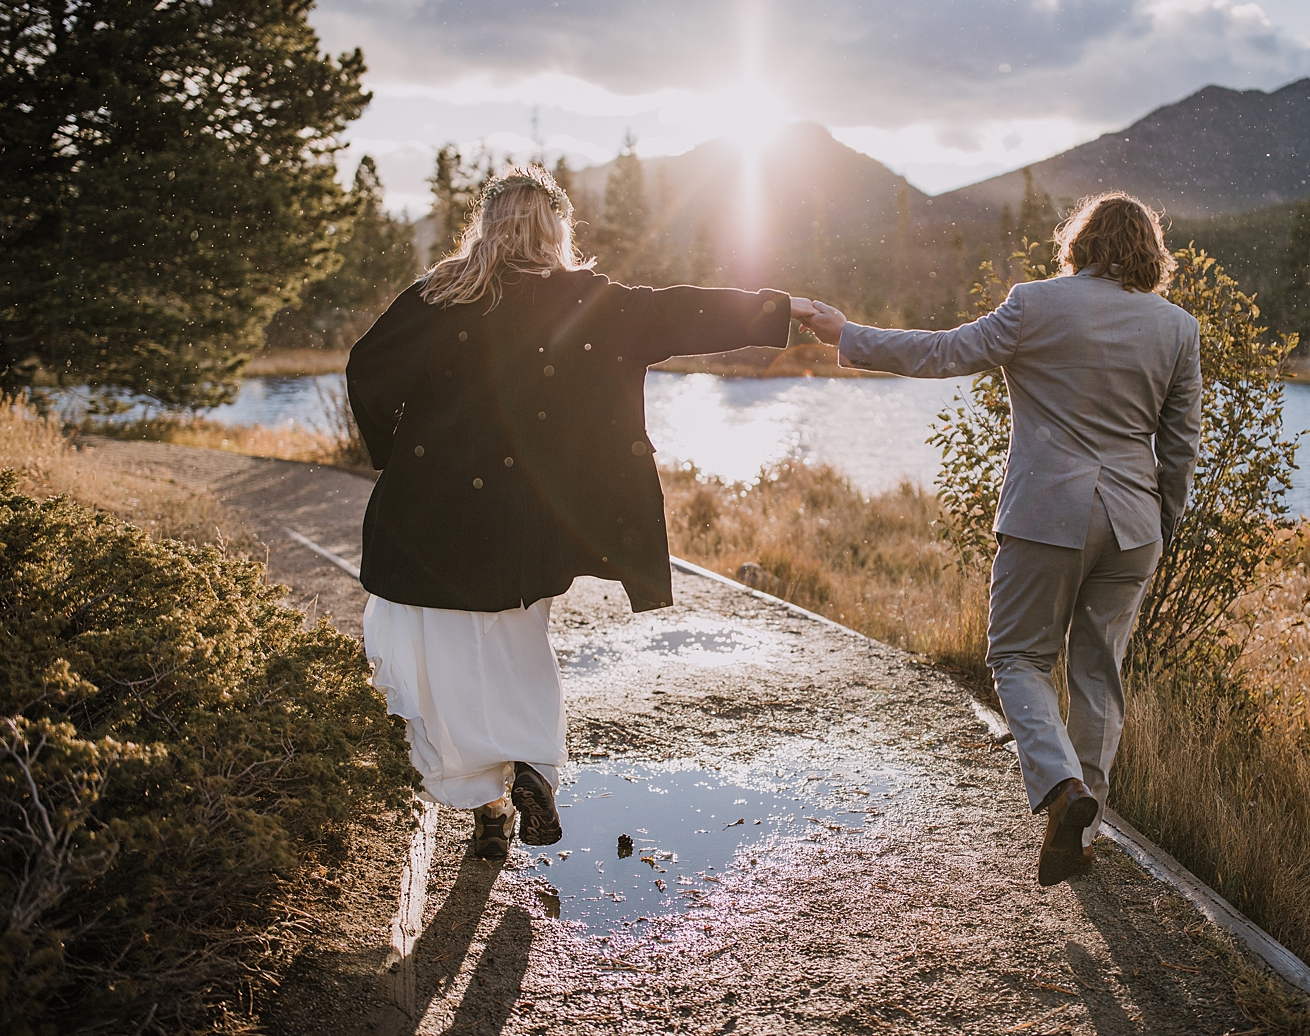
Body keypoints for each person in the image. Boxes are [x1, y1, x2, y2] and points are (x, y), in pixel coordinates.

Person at [347, 165, 808, 859]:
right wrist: (777, 310)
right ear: (556, 229)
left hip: (428, 518)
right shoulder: (591, 301)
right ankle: (531, 764)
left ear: (488, 225)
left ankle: (491, 804)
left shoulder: (439, 294)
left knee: (438, 659)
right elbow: (682, 310)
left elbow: (365, 370)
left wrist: (394, 450)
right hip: (529, 524)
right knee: (518, 645)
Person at [795, 192, 1202, 884]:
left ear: (1080, 243)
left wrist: (845, 333)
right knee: (1098, 674)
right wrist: (1161, 524)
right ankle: (1082, 828)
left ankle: (1063, 788)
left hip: (1048, 515)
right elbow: (1181, 444)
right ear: (1150, 254)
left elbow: (943, 352)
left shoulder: (1035, 303)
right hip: (1133, 524)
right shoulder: (1177, 327)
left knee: (1017, 657)